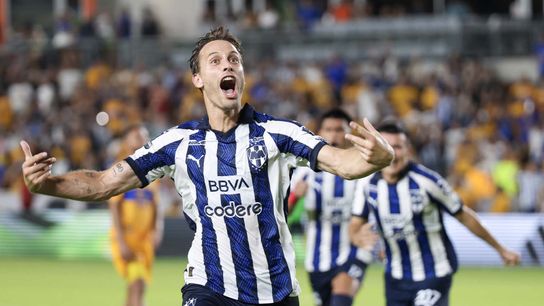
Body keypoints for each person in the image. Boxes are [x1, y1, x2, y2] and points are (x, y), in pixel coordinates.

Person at [20, 26, 394, 306]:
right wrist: (46, 185)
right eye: (215, 61)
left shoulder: (279, 133)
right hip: (208, 286)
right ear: (198, 79)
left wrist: (377, 158)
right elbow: (104, 183)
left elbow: (342, 162)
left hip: (276, 290)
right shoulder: (176, 143)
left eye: (234, 59)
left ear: (242, 76)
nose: (228, 65)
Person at [349, 120, 520, 306]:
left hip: (434, 273)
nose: (393, 154)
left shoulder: (427, 181)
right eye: (387, 147)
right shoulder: (367, 183)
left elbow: (462, 214)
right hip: (395, 278)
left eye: (397, 147)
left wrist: (500, 249)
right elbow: (355, 225)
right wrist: (359, 238)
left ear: (408, 150)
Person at [289, 108, 377, 306]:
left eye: (339, 129)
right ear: (319, 133)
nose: (334, 135)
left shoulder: (365, 171)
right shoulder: (304, 172)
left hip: (353, 252)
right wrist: (295, 197)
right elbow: (281, 213)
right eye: (328, 129)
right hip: (317, 259)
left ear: (350, 134)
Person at [109, 125, 163, 306]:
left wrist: (157, 230)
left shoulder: (152, 171)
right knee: (138, 283)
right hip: (128, 238)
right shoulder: (120, 170)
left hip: (144, 240)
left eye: (145, 136)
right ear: (127, 141)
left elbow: (156, 206)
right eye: (137, 136)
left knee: (137, 286)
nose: (142, 140)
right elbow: (115, 208)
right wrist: (121, 241)